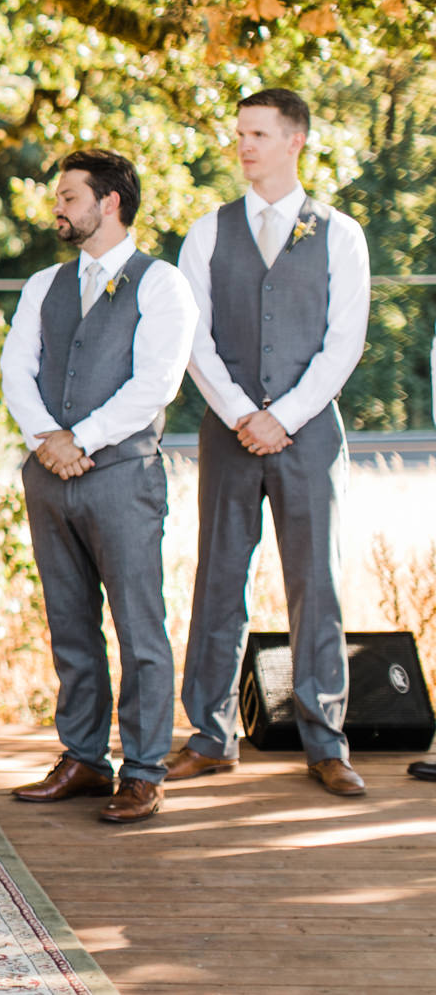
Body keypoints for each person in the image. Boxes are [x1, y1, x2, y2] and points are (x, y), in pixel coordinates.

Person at [170, 89, 373, 797]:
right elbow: (193, 338)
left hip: (310, 435)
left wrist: (282, 415)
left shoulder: (340, 234)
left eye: (257, 133)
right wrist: (237, 412)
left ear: (295, 141)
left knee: (317, 584)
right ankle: (210, 735)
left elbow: (344, 342)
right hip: (228, 435)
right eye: (239, 133)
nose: (243, 145)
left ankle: (326, 740)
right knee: (219, 579)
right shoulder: (207, 232)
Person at [0, 150, 196, 824]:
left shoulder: (161, 283)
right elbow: (15, 371)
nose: (58, 207)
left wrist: (78, 440)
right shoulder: (42, 286)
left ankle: (143, 769)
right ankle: (84, 755)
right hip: (49, 478)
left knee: (141, 627)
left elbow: (156, 382)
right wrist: (47, 440)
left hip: (121, 475)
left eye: (69, 195)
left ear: (109, 203)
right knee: (70, 624)